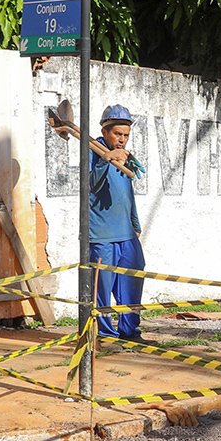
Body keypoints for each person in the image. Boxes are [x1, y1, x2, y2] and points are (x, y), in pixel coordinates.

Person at [90, 104, 146, 340]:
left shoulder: (124, 156)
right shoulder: (93, 152)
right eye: (117, 134)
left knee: (133, 280)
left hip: (126, 233)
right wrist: (105, 160)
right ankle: (105, 334)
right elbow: (89, 185)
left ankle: (129, 331)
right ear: (104, 132)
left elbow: (127, 193)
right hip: (101, 235)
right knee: (102, 288)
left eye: (125, 135)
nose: (122, 139)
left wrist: (135, 223)